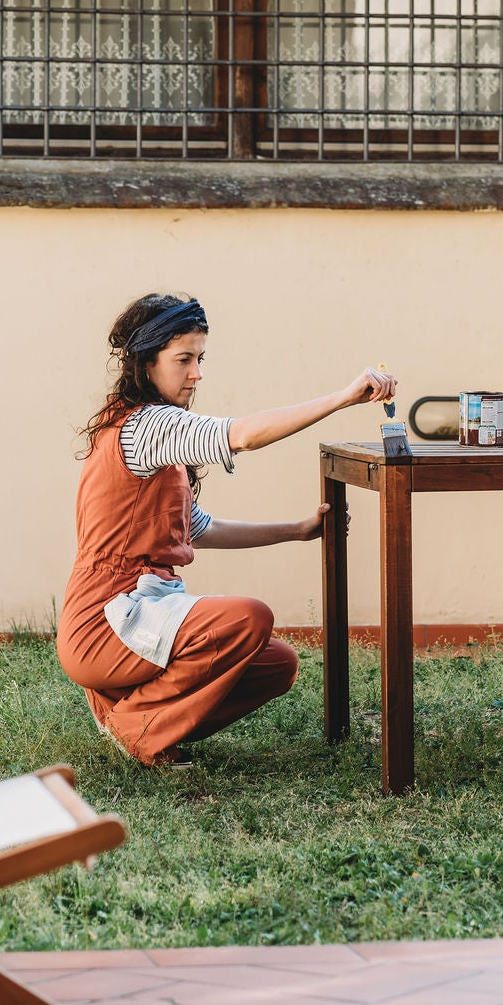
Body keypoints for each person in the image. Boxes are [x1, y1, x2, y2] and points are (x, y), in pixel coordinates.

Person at [58, 292, 396, 765]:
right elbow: (242, 436)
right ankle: (136, 727)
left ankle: (124, 706)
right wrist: (342, 398)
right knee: (248, 618)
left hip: (138, 611)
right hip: (104, 623)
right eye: (183, 359)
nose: (197, 373)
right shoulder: (145, 426)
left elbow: (201, 528)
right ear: (146, 362)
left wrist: (298, 530)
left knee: (276, 665)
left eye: (200, 358)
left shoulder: (150, 434)